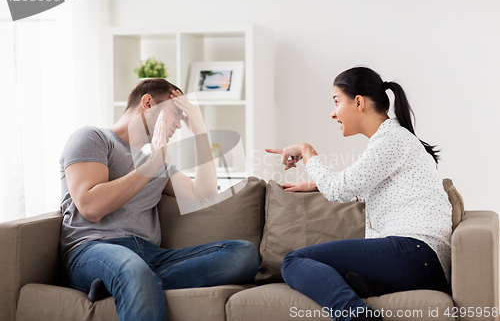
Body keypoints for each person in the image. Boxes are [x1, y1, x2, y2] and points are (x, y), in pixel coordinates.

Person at [59, 79, 259, 321]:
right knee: (132, 269)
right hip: (92, 249)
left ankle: (118, 284)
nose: (179, 123)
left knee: (244, 254)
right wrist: (152, 164)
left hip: (150, 256)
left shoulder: (158, 165)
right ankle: (128, 280)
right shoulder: (93, 138)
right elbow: (91, 207)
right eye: (176, 112)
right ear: (147, 103)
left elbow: (205, 193)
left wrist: (199, 129)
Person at [266, 67, 452, 321]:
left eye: (336, 101)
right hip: (419, 259)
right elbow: (373, 191)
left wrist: (306, 150)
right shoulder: (390, 140)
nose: (333, 113)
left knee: (294, 261)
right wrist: (317, 183)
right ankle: (363, 293)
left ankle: (357, 317)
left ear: (358, 102)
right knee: (324, 271)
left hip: (416, 253)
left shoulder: (392, 140)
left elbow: (337, 190)